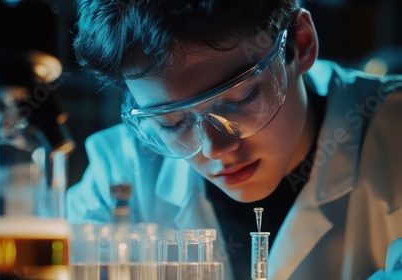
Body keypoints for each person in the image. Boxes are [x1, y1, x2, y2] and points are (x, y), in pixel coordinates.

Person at [66, 0, 402, 279]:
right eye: (172, 123)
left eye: (239, 100)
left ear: (300, 43)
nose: (215, 148)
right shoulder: (121, 176)